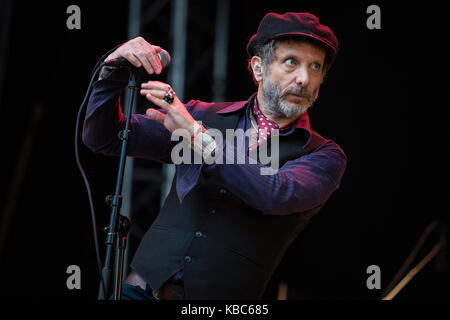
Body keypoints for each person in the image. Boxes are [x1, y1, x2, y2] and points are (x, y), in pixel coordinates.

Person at [83, 11, 347, 300]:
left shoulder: (323, 155)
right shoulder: (202, 115)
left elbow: (276, 193)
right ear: (258, 68)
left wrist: (197, 136)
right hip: (142, 291)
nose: (303, 78)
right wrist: (112, 70)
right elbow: (104, 137)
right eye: (291, 62)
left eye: (315, 67)